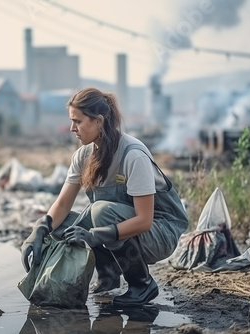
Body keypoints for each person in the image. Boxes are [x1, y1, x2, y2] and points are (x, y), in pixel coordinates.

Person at [21, 87, 189, 306]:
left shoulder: (133, 155)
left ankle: (142, 284)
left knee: (101, 212)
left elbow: (144, 220)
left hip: (158, 232)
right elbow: (62, 204)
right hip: (119, 224)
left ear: (99, 121)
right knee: (62, 228)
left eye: (78, 121)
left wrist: (94, 235)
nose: (72, 128)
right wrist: (40, 229)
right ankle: (108, 275)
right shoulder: (83, 155)